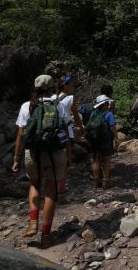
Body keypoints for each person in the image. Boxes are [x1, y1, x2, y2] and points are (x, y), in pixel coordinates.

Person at [12, 75, 71, 247]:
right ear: (53, 87)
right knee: (51, 190)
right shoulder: (58, 105)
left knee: (34, 185)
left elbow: (21, 135)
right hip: (54, 152)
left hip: (33, 152)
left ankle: (32, 222)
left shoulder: (26, 106)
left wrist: (16, 158)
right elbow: (65, 132)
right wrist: (69, 154)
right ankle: (46, 234)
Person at [54, 75, 83, 203]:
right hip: (66, 133)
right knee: (65, 163)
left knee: (54, 163)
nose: (73, 88)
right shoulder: (70, 98)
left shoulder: (52, 98)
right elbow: (76, 116)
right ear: (65, 86)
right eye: (71, 86)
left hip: (53, 133)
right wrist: (81, 128)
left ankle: (52, 191)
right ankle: (60, 194)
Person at [88, 95, 118, 188]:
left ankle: (96, 181)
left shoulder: (93, 113)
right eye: (107, 103)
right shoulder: (109, 114)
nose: (109, 104)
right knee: (107, 160)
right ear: (104, 104)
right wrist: (116, 137)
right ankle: (105, 182)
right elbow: (112, 127)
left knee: (96, 160)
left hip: (95, 139)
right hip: (106, 140)